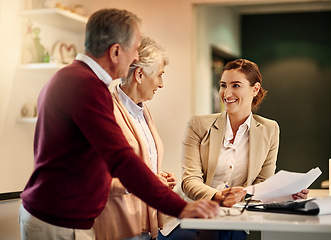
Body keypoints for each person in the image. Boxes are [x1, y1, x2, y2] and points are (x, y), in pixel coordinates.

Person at [18, 8, 219, 240]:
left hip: (57, 215)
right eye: (134, 50)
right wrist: (180, 208)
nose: (135, 58)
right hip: (57, 219)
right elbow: (121, 159)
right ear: (115, 51)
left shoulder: (73, 78)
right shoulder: (86, 86)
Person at [159, 59, 308, 240]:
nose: (227, 93)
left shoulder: (270, 129)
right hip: (191, 216)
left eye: (236, 85)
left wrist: (283, 194)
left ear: (255, 89)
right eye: (223, 85)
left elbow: (262, 184)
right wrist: (218, 196)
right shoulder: (198, 125)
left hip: (234, 219)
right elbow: (189, 181)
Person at [92, 34, 176, 240]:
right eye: (159, 75)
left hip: (145, 224)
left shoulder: (142, 112)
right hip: (118, 228)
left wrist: (158, 176)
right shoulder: (106, 111)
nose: (161, 83)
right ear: (139, 75)